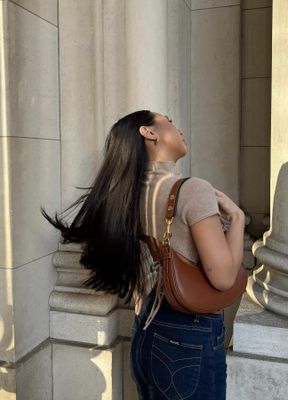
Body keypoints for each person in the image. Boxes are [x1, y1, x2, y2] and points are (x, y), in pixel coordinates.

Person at [41, 110, 245, 399]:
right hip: (187, 333)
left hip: (146, 329)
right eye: (169, 121)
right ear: (148, 132)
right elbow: (224, 278)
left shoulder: (125, 193)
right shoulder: (192, 190)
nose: (178, 127)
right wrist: (236, 218)